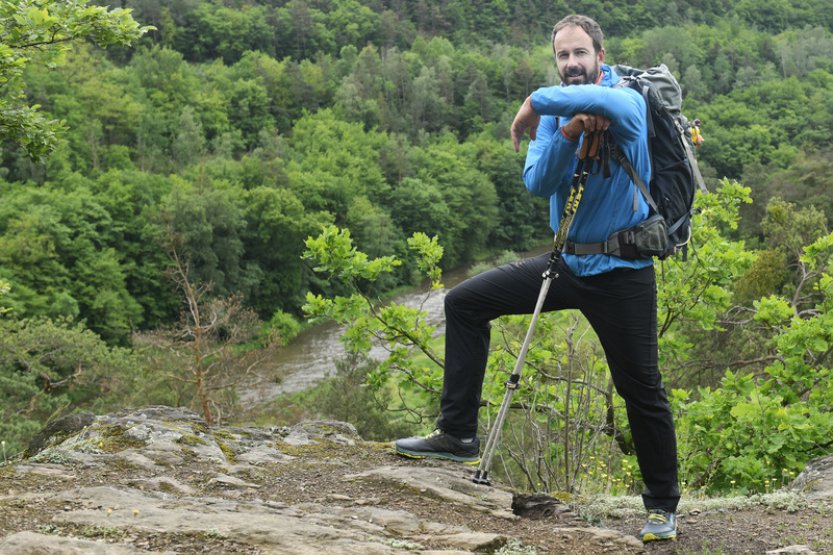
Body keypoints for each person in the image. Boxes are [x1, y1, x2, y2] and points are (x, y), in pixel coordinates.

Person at [394, 14, 680, 542]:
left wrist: (536, 100)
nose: (571, 65)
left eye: (580, 54)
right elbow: (537, 180)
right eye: (562, 57)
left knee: (641, 388)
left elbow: (615, 108)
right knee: (463, 303)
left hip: (622, 270)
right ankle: (457, 434)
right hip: (566, 263)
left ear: (599, 54)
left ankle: (662, 505)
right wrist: (569, 127)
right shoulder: (560, 112)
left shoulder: (628, 99)